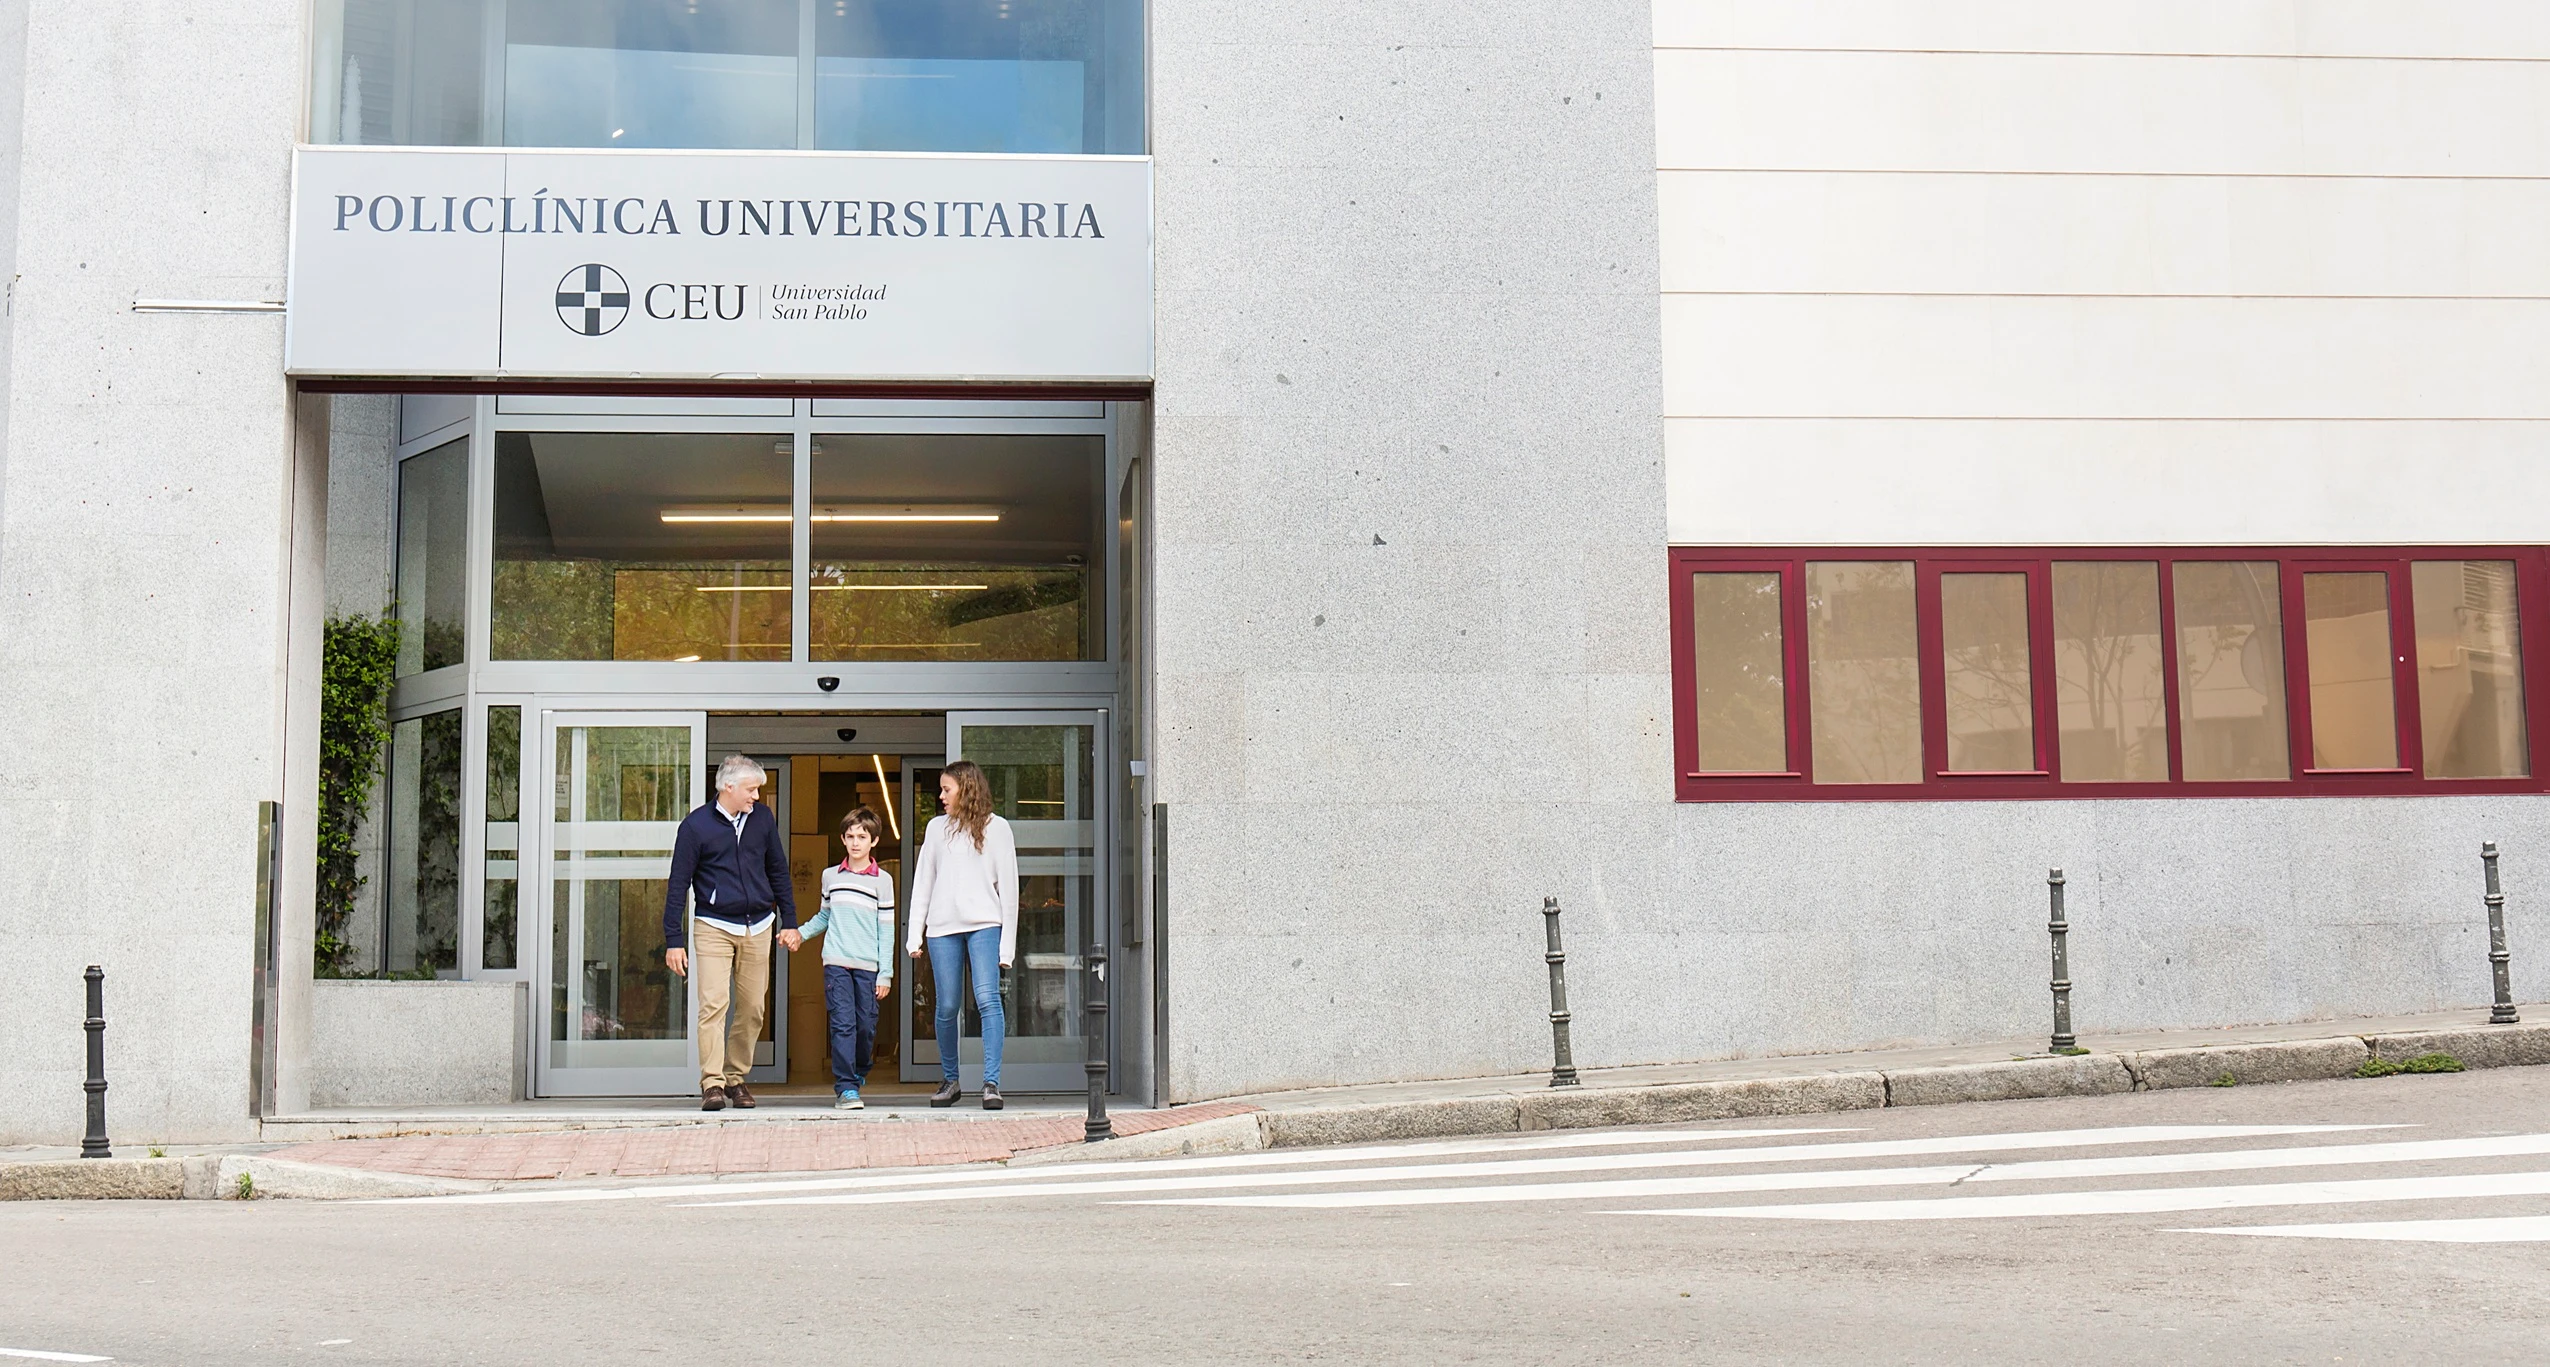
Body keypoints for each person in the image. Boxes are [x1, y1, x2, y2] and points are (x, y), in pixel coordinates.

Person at [663, 754, 800, 1112]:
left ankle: (735, 1077)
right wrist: (673, 940)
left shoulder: (763, 819)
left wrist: (790, 920)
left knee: (753, 1007)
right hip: (713, 925)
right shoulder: (696, 827)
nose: (756, 796)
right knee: (713, 1004)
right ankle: (712, 1082)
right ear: (728, 787)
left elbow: (778, 871)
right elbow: (678, 885)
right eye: (751, 789)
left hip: (759, 925)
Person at [906, 759, 1018, 1110]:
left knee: (988, 1000)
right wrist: (915, 936)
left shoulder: (998, 828)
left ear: (965, 789)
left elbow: (1009, 889)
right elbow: (923, 883)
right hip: (942, 930)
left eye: (946, 789)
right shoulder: (936, 829)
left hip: (985, 925)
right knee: (947, 1006)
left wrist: (1007, 947)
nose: (941, 796)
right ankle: (951, 1081)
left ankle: (991, 1083)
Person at [795, 806, 896, 1110]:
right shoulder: (830, 877)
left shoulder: (883, 881)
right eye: (850, 836)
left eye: (861, 837)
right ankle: (846, 1088)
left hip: (868, 967)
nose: (855, 842)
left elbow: (887, 930)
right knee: (843, 1025)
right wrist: (799, 934)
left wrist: (885, 972)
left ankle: (859, 1070)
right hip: (836, 962)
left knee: (865, 1026)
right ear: (842, 838)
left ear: (873, 841)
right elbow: (824, 917)